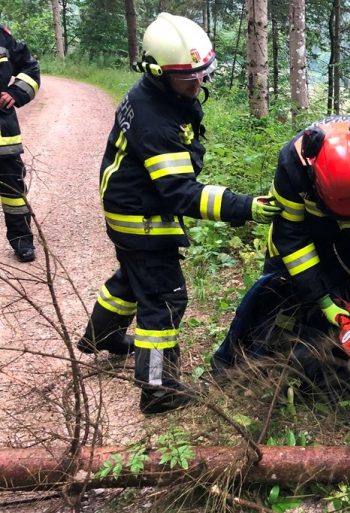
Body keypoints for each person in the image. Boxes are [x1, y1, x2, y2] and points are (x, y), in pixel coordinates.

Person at [76, 13, 280, 415]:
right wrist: (247, 207)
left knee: (133, 279)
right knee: (164, 299)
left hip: (124, 207)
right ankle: (157, 389)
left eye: (202, 73)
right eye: (189, 76)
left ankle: (101, 336)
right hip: (142, 219)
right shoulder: (156, 120)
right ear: (157, 71)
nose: (198, 82)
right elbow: (182, 194)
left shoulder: (155, 95)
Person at [212, 115, 350, 375]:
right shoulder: (293, 166)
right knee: (277, 297)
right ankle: (243, 368)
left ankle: (348, 381)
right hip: (312, 230)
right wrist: (322, 298)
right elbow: (291, 237)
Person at [0, 24, 40, 262]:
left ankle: (22, 242)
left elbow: (29, 67)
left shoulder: (3, 38)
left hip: (3, 137)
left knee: (14, 195)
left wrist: (16, 93)